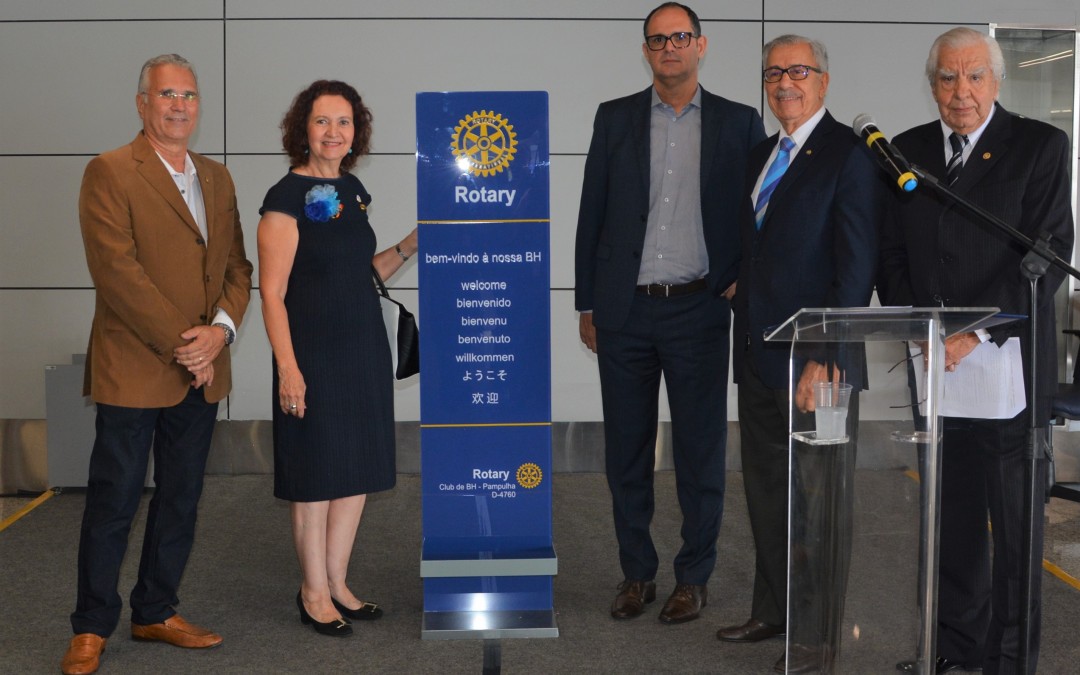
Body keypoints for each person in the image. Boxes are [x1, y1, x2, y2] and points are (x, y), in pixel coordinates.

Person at [878, 27, 1074, 675]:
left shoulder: (1041, 146)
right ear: (931, 83)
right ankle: (956, 652)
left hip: (1007, 362)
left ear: (997, 80)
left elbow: (1043, 253)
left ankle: (1010, 662)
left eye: (974, 77)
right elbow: (892, 255)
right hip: (934, 362)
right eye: (947, 78)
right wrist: (924, 326)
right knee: (952, 518)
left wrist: (973, 329)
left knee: (1014, 529)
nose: (961, 93)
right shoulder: (903, 152)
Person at [574, 2, 765, 624]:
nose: (669, 47)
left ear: (702, 46)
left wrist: (741, 278)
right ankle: (637, 574)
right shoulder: (615, 118)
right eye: (658, 39)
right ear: (646, 49)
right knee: (626, 452)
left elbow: (755, 214)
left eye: (680, 37)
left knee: (700, 452)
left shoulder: (740, 123)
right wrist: (588, 301)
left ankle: (693, 576)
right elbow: (592, 213)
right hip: (625, 311)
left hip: (700, 310)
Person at [62, 54, 253, 675]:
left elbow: (237, 271)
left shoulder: (218, 179)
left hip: (202, 369)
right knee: (114, 500)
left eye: (189, 96)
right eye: (166, 94)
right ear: (142, 103)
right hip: (136, 367)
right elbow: (118, 274)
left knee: (181, 497)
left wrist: (219, 334)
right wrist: (188, 343)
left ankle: (156, 611)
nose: (179, 106)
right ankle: (91, 626)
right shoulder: (110, 171)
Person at [715, 35, 881, 673]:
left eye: (798, 71)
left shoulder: (850, 154)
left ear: (824, 81)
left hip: (820, 366)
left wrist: (828, 354)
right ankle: (773, 612)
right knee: (767, 494)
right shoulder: (763, 153)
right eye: (774, 72)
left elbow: (856, 263)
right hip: (758, 356)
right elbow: (755, 243)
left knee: (820, 505)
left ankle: (816, 639)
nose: (785, 82)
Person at [257, 80, 418, 637]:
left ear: (357, 131)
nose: (334, 132)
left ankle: (339, 582)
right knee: (315, 479)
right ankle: (312, 591)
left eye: (344, 122)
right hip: (312, 356)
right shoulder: (284, 197)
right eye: (323, 121)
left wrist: (411, 244)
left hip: (361, 351)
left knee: (355, 474)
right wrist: (289, 368)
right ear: (303, 128)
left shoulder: (351, 190)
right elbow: (271, 293)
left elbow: (360, 274)